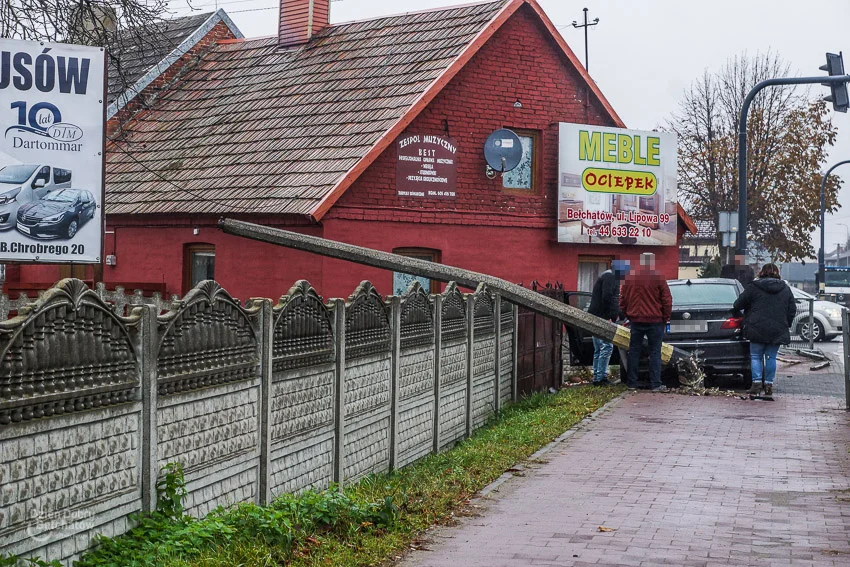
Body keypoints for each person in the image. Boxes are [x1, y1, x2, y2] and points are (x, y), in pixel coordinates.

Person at [732, 263, 796, 397]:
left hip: (756, 327)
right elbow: (792, 310)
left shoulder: (753, 287)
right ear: (777, 273)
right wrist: (786, 324)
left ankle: (756, 384)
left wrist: (743, 315)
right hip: (778, 328)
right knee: (771, 357)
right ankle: (768, 385)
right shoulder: (785, 289)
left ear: (762, 272)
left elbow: (738, 304)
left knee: (756, 356)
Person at [620, 252, 672, 392]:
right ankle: (655, 384)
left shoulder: (630, 277)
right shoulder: (658, 278)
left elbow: (623, 299)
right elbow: (667, 299)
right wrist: (665, 317)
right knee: (655, 352)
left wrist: (628, 315)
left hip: (636, 321)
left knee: (634, 351)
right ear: (652, 262)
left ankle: (632, 384)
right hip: (655, 321)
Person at [587, 260, 631, 385]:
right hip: (602, 316)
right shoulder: (611, 277)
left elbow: (609, 298)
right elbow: (608, 298)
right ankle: (601, 378)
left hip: (595, 315)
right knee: (606, 346)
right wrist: (611, 316)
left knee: (598, 348)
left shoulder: (606, 275)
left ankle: (597, 376)